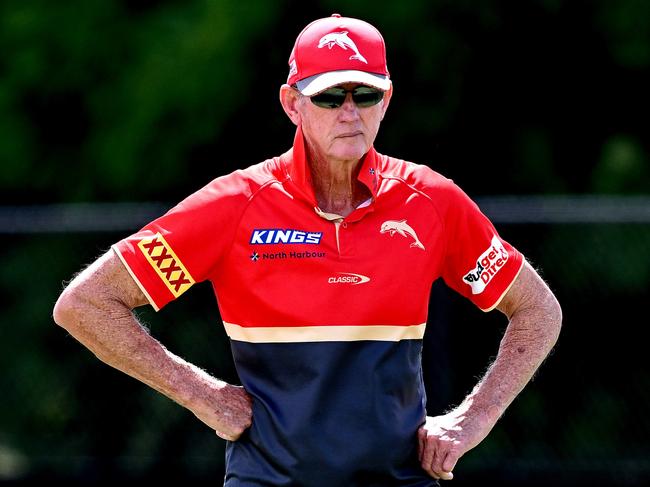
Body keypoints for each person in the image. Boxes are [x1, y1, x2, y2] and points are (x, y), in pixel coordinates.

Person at [53, 13, 562, 486]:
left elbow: (538, 309)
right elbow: (87, 304)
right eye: (328, 96)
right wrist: (203, 395)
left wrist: (472, 421)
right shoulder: (234, 205)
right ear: (292, 104)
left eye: (364, 94)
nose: (349, 112)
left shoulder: (432, 202)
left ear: (386, 102)